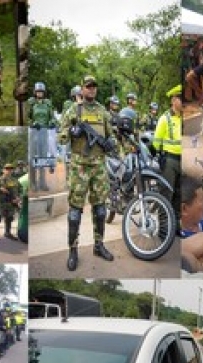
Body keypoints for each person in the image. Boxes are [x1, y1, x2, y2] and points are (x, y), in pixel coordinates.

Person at [58, 75, 116, 271]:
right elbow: (61, 136)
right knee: (75, 212)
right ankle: (72, 250)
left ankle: (98, 246)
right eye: (88, 86)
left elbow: (112, 134)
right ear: (82, 89)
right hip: (79, 166)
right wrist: (71, 131)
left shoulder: (103, 112)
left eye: (94, 87)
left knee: (100, 209)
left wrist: (111, 143)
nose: (91, 89)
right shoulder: (74, 110)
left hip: (99, 166)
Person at [152, 85, 182, 211]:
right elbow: (156, 143)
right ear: (173, 100)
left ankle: (175, 228)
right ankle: (164, 229)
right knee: (166, 195)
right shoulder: (165, 119)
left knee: (180, 197)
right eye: (180, 98)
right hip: (170, 161)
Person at [0, 163, 20, 242]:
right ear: (3, 170)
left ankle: (7, 233)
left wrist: (17, 198)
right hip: (0, 203)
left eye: (10, 169)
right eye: (7, 169)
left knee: (9, 218)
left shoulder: (15, 180)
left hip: (11, 203)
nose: (9, 171)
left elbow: (19, 189)